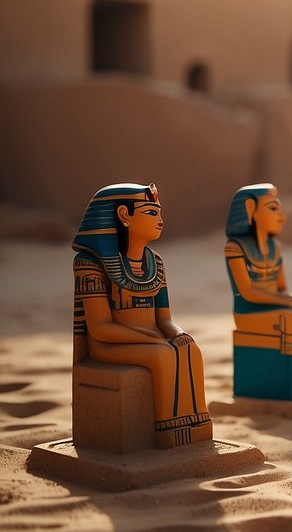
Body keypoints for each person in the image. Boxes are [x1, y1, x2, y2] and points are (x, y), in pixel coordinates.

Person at [72, 182, 212, 448]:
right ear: (124, 215)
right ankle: (167, 432)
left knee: (190, 350)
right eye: (151, 213)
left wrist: (178, 334)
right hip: (109, 346)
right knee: (163, 355)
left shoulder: (155, 262)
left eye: (160, 213)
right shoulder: (90, 263)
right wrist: (150, 339)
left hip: (149, 338)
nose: (160, 220)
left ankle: (195, 427)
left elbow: (164, 320)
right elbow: (100, 328)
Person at [224, 183, 292, 400]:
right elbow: (248, 292)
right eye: (273, 208)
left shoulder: (275, 247)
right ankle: (289, 387)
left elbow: (282, 288)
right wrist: (289, 301)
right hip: (247, 313)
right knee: (289, 318)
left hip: (272, 305)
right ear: (250, 208)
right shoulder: (235, 248)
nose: (281, 216)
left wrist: (291, 299)